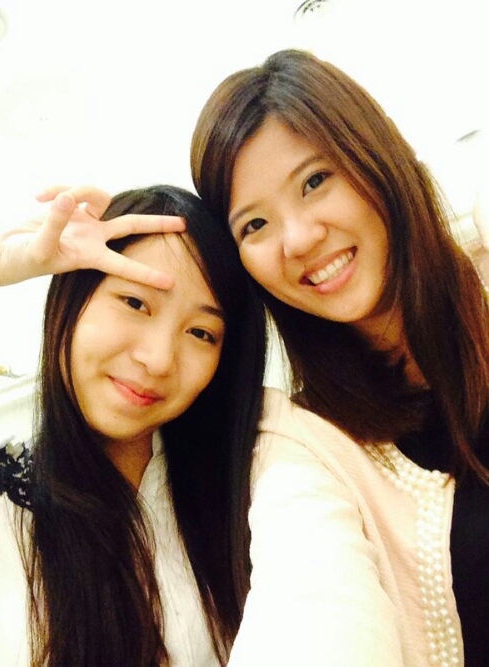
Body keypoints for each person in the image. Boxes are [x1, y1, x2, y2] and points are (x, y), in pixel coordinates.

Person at [190, 49, 489, 666]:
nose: (299, 239)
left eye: (315, 181)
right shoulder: (304, 443)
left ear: (374, 154)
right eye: (254, 225)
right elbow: (310, 603)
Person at [0, 184, 266, 667]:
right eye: (135, 303)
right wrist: (3, 263)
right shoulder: (2, 506)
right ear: (72, 296)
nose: (158, 359)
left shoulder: (255, 483)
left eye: (201, 332)